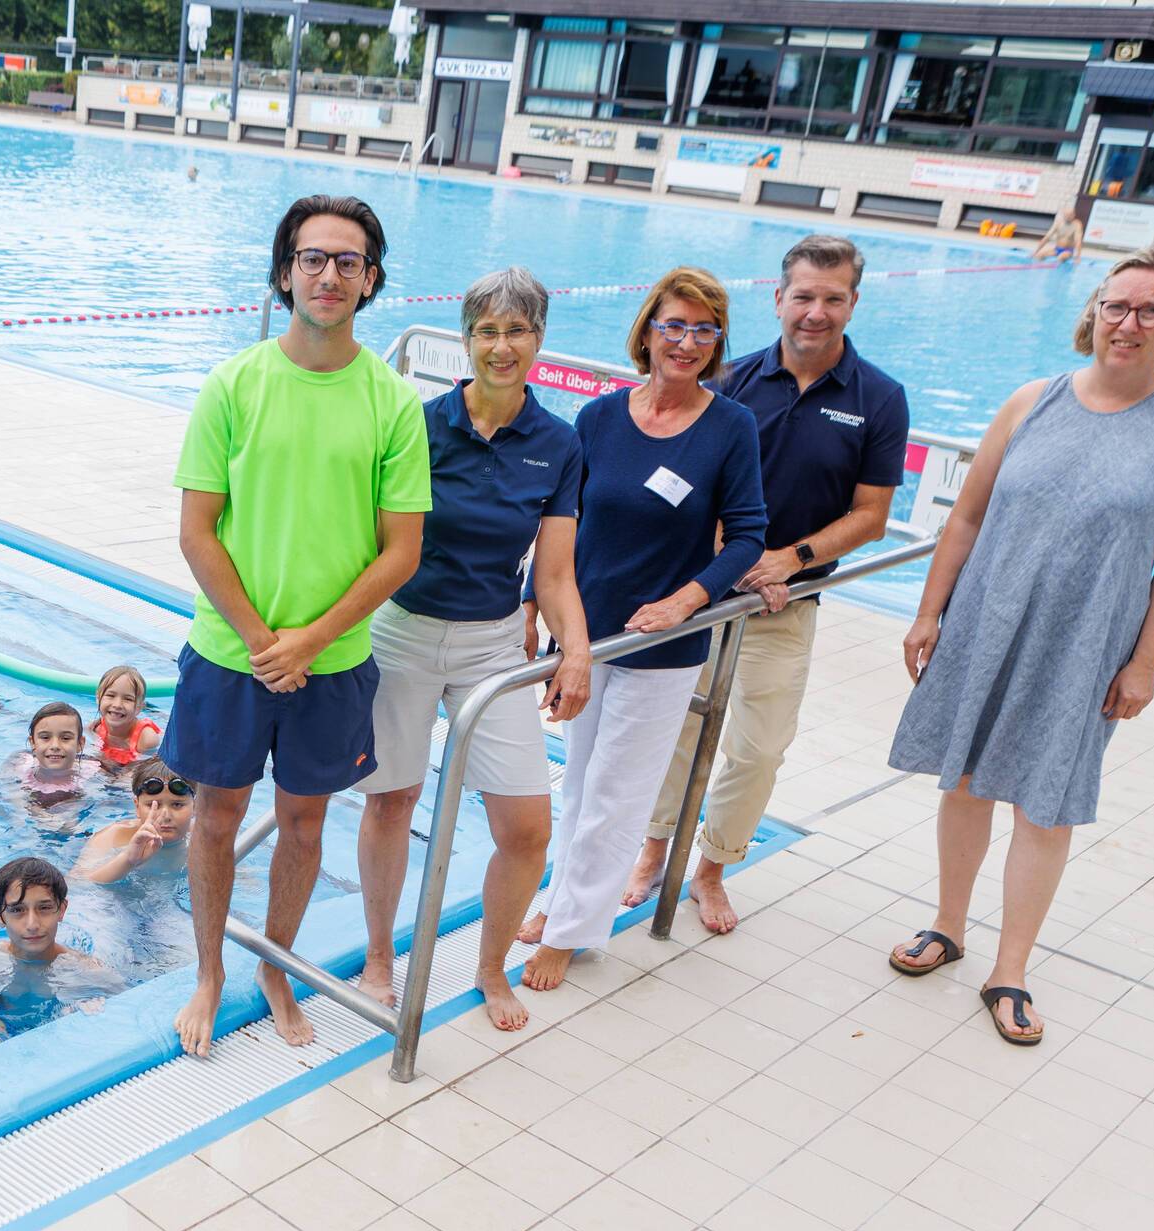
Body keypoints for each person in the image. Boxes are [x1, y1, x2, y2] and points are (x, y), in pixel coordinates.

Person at [887, 247, 1154, 1046]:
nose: (1128, 323)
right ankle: (948, 925)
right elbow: (967, 517)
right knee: (966, 780)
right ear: (1094, 310)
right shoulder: (1030, 401)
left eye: (1150, 310)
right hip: (987, 621)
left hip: (1085, 643)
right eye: (1117, 305)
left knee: (1044, 803)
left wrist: (1144, 663)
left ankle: (1010, 969)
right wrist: (929, 613)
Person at [161, 194, 431, 1055]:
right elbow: (197, 530)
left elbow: (401, 551)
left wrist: (309, 641)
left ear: (370, 280)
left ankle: (273, 965)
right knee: (215, 818)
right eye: (312, 258)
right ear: (285, 273)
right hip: (229, 652)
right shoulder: (233, 385)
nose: (329, 275)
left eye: (348, 261)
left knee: (306, 824)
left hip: (333, 661)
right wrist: (258, 639)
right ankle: (210, 972)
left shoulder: (393, 402)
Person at [624, 236, 909, 934]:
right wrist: (734, 557)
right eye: (804, 295)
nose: (816, 311)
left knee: (758, 749)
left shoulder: (879, 398)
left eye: (832, 298)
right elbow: (693, 479)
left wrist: (789, 559)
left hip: (788, 601)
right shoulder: (732, 381)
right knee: (675, 731)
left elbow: (871, 516)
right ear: (779, 299)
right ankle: (653, 849)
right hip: (704, 592)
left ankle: (712, 868)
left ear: (853, 303)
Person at [352, 266, 592, 1033]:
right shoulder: (417, 425)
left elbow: (554, 574)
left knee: (526, 828)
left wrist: (576, 649)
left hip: (492, 646)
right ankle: (380, 956)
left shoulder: (559, 443)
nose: (501, 346)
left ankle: (490, 967)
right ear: (466, 339)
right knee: (392, 799)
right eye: (487, 331)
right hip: (403, 631)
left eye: (516, 330)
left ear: (539, 338)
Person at [517, 268, 767, 991]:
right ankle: (563, 898)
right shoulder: (599, 418)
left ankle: (570, 933)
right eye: (674, 325)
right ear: (648, 332)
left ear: (717, 341)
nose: (686, 342)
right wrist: (533, 603)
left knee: (617, 794)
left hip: (662, 647)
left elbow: (748, 535)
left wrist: (685, 602)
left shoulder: (730, 427)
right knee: (579, 783)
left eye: (704, 329)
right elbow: (558, 521)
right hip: (585, 636)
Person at [0, 858, 124, 1045]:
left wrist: (93, 1013)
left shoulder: (89, 972)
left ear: (62, 910)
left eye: (44, 908)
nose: (32, 924)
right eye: (17, 910)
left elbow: (130, 1007)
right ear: (0, 915)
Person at [75, 758, 196, 883]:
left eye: (177, 805)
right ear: (137, 806)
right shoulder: (114, 836)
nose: (165, 816)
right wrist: (128, 860)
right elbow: (76, 884)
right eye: (153, 805)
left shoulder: (203, 838)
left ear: (195, 806)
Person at [92, 665, 163, 767]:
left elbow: (144, 770)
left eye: (128, 699)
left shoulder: (146, 738)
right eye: (110, 695)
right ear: (98, 698)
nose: (117, 705)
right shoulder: (95, 728)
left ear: (139, 707)